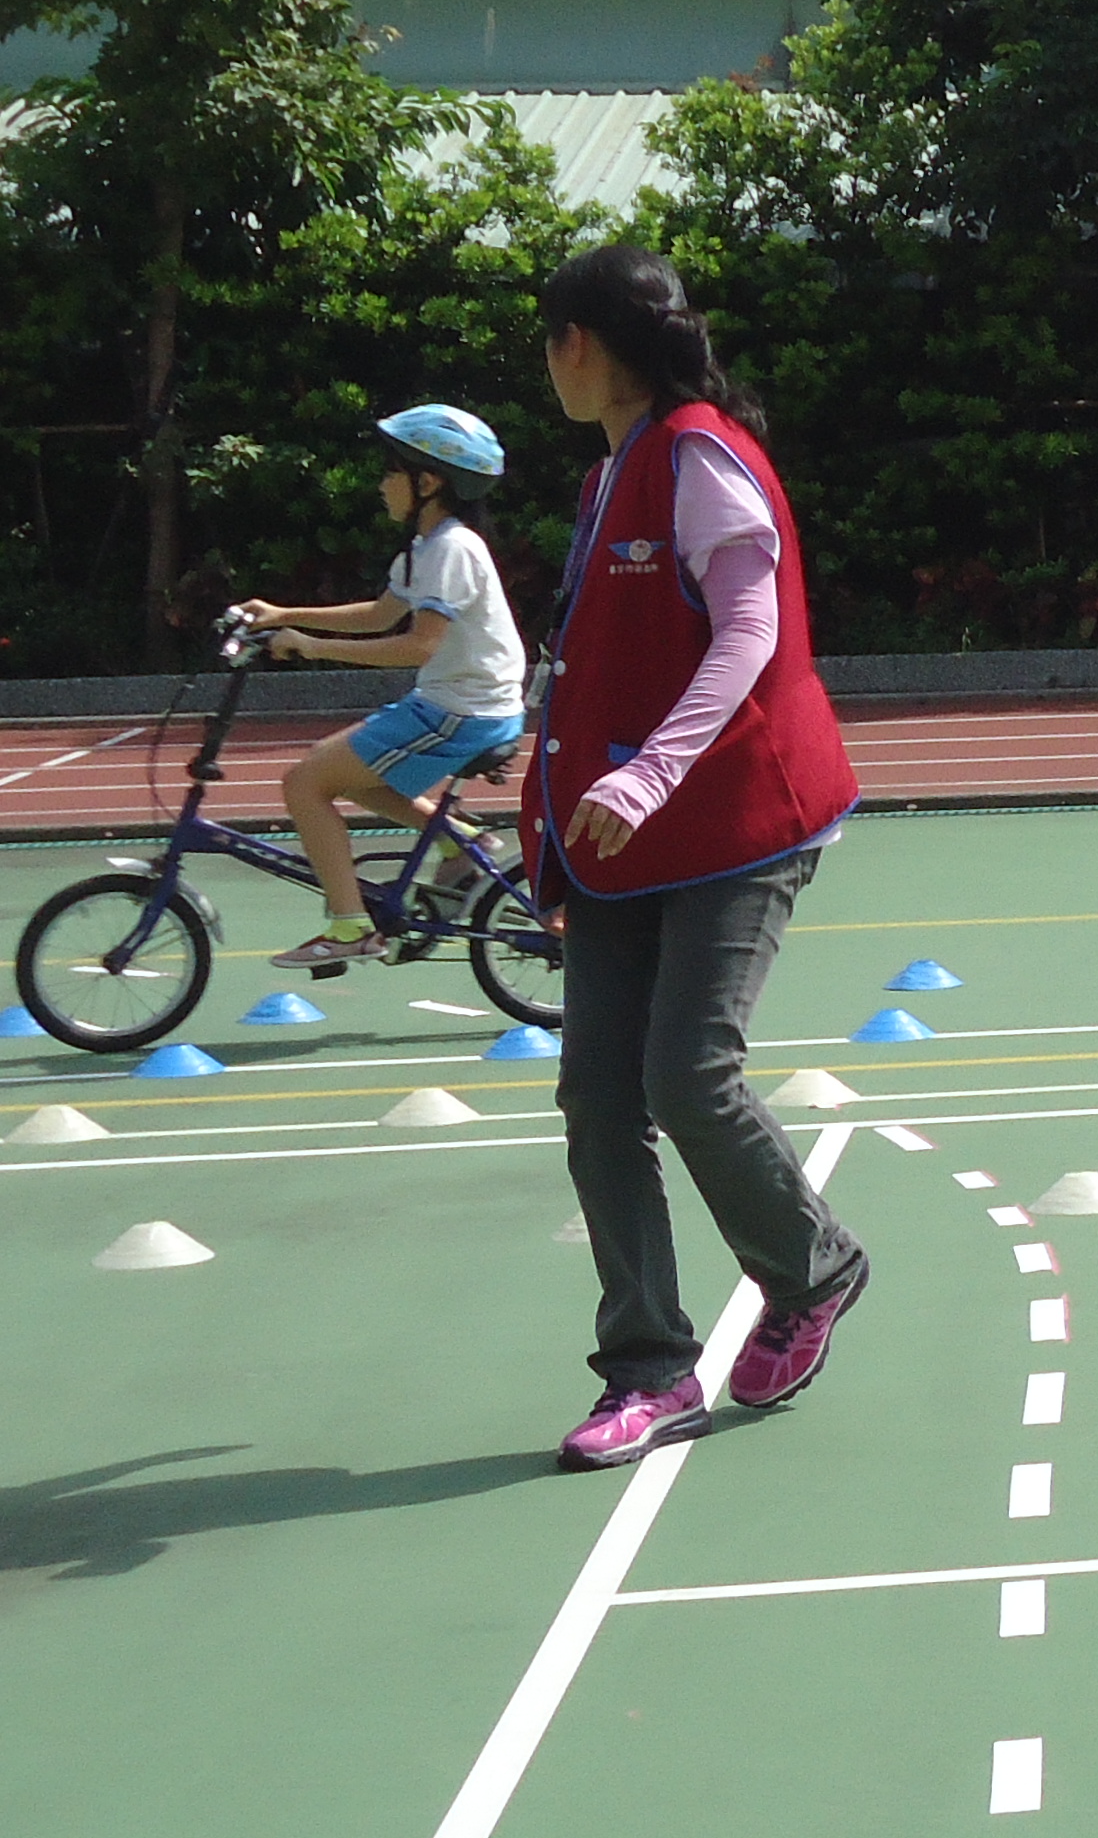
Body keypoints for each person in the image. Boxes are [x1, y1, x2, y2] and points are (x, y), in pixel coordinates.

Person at [522, 247, 871, 1474]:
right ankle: (650, 1370)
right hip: (624, 839)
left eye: (548, 341)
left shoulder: (699, 455)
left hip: (735, 817)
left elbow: (749, 633)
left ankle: (812, 1269)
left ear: (578, 344)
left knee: (686, 1073)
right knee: (596, 1093)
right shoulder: (609, 472)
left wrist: (649, 772)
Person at [233, 405, 528, 972]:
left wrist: (312, 646)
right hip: (456, 703)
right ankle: (460, 840)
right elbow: (379, 615)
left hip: (464, 711)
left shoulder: (452, 549)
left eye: (391, 472)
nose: (380, 483)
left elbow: (419, 645)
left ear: (428, 482)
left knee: (305, 783)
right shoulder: (426, 548)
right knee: (341, 773)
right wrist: (282, 614)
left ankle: (349, 927)